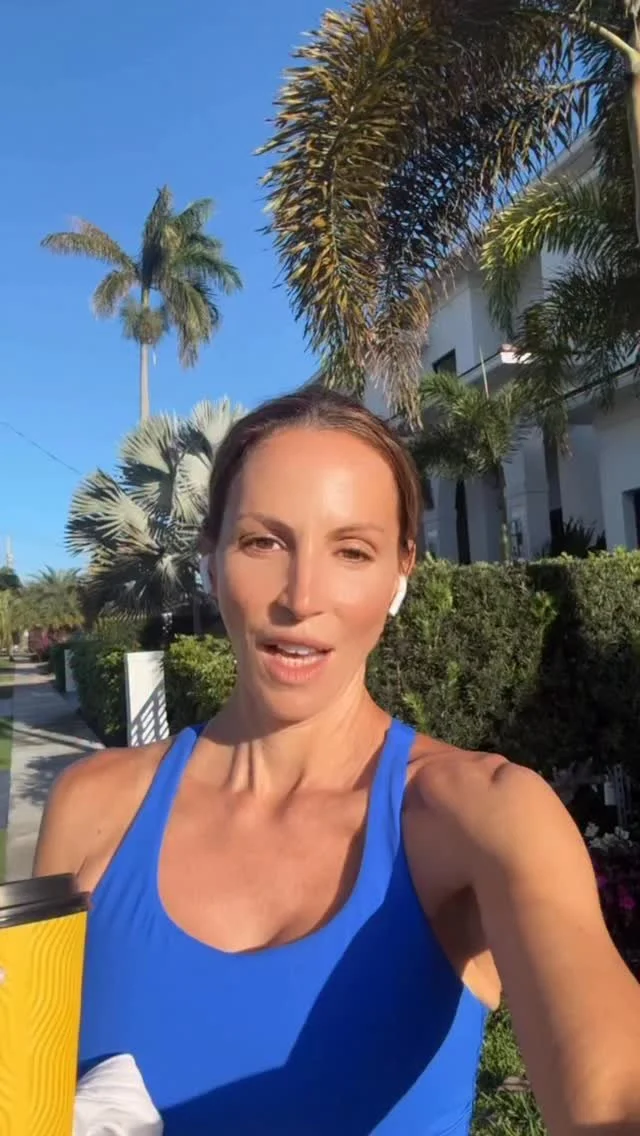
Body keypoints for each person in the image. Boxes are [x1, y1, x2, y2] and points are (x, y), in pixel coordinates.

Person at [35, 387, 640, 1135]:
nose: (302, 597)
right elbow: (26, 1077)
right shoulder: (94, 809)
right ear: (211, 560)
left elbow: (614, 1091)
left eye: (352, 551)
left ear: (400, 573)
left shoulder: (480, 816)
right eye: (263, 542)